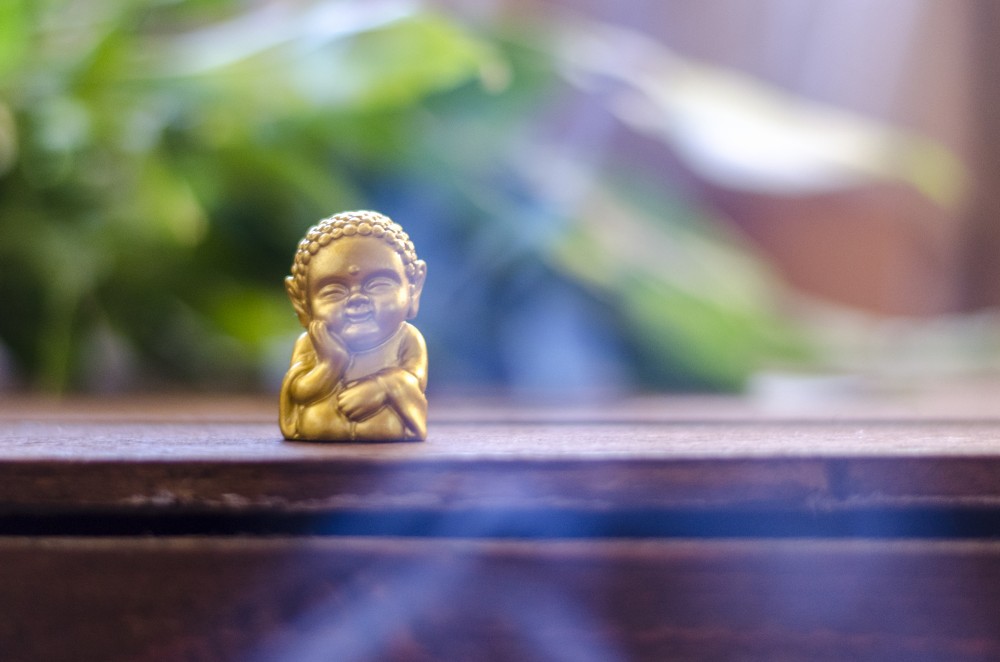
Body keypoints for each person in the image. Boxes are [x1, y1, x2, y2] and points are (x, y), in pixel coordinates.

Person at [280, 211, 427, 441]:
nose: (357, 299)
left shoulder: (406, 338)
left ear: (413, 289)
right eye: (334, 291)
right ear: (302, 301)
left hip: (384, 431)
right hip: (321, 427)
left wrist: (382, 387)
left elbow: (414, 381)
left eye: (378, 284)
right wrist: (331, 364)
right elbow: (299, 392)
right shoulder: (313, 341)